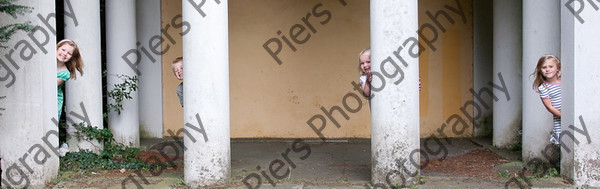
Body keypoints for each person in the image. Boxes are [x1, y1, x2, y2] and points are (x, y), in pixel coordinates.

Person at [531, 55, 561, 145]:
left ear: (558, 69)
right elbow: (549, 107)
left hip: (571, 114)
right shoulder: (543, 87)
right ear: (540, 70)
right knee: (564, 140)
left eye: (551, 66)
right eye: (544, 67)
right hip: (559, 117)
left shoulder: (565, 80)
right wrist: (563, 115)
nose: (547, 69)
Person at [56, 39, 84, 118]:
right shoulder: (46, 61)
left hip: (53, 101)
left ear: (71, 57)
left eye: (69, 53)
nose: (64, 54)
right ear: (57, 48)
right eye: (63, 49)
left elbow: (50, 86)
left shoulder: (65, 73)